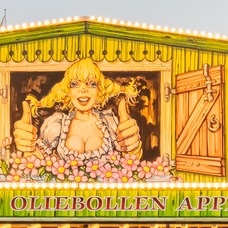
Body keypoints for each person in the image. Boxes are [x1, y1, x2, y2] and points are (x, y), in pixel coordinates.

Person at [12, 58, 142, 162]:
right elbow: (39, 163)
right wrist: (28, 150)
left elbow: (128, 162)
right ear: (67, 92)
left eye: (91, 84)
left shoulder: (109, 122)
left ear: (99, 92)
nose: (83, 89)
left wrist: (133, 149)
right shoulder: (56, 124)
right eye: (75, 84)